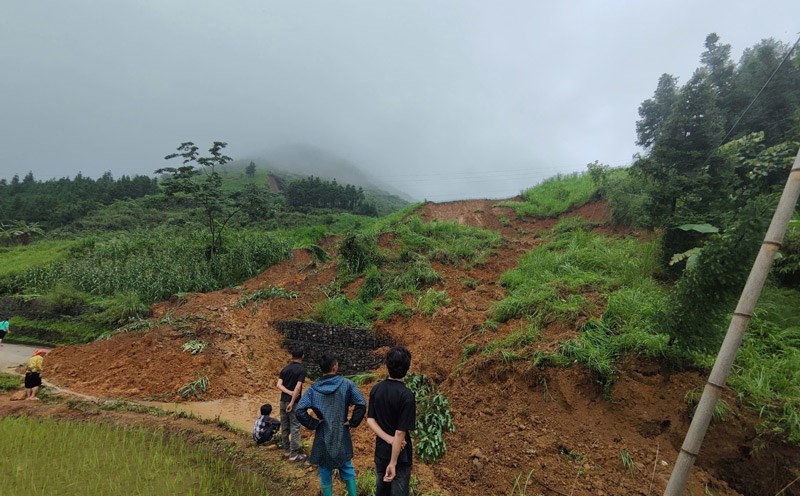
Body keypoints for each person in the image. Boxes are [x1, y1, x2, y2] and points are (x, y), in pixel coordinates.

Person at [296, 354, 366, 496]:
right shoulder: (347, 384)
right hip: (342, 431)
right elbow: (361, 402)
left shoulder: (313, 389)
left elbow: (300, 410)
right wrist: (352, 421)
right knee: (346, 465)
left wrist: (314, 423)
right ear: (335, 367)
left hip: (323, 432)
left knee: (324, 467)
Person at [367, 347, 416, 496]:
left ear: (387, 366)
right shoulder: (407, 395)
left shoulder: (376, 389)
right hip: (400, 457)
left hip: (381, 452)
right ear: (407, 368)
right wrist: (393, 463)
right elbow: (400, 432)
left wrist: (388, 439)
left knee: (381, 491)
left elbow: (370, 420)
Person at [276, 346, 306, 461]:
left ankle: (287, 451)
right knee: (295, 427)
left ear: (292, 356)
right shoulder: (301, 370)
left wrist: (288, 393)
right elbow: (298, 387)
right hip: (294, 403)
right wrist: (292, 401)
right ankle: (294, 454)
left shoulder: (285, 369)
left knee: (285, 426)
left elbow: (278, 385)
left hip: (282, 401)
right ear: (302, 356)